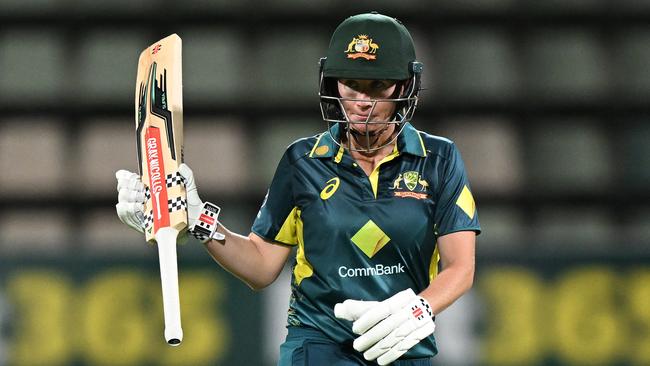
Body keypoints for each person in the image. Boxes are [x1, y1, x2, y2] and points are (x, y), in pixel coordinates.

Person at [116, 12, 480, 366]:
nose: (361, 102)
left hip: (401, 344)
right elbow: (261, 267)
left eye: (377, 86)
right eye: (350, 84)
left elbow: (460, 266)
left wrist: (422, 307)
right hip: (318, 346)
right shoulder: (302, 160)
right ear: (331, 82)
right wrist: (198, 221)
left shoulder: (439, 159)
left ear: (404, 85)